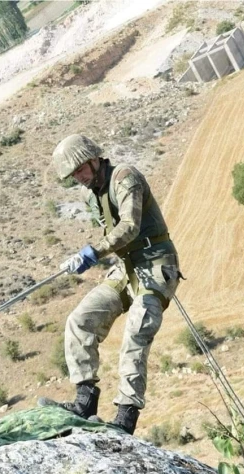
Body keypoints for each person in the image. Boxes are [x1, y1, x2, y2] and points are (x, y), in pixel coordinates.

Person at [47, 134, 181, 435]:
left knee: (136, 331)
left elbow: (130, 226)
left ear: (94, 159)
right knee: (81, 320)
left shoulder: (125, 176)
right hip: (125, 269)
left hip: (156, 264)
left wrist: (94, 251)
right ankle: (84, 400)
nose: (79, 177)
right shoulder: (90, 196)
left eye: (81, 169)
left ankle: (126, 416)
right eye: (73, 174)